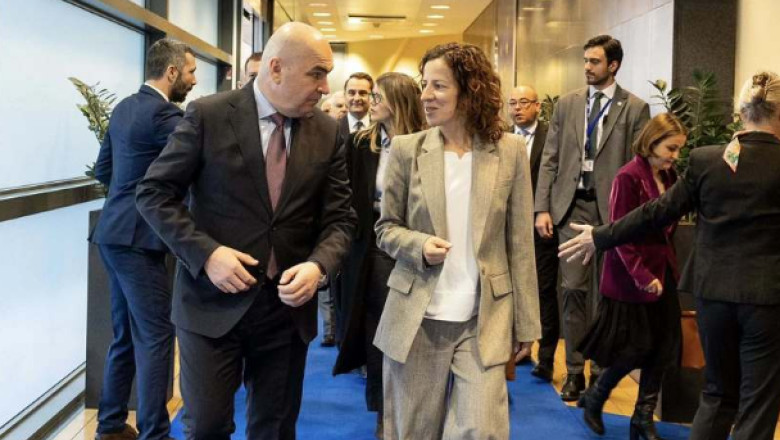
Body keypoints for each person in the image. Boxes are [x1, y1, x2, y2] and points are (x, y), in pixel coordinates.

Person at [136, 22, 355, 440]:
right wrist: (206, 254)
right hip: (210, 305)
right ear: (276, 68)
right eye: (317, 73)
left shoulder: (327, 132)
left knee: (274, 429)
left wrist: (318, 267)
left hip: (287, 311)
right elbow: (153, 194)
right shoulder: (209, 115)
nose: (326, 87)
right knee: (207, 428)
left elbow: (341, 220)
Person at [558, 71, 780, 440]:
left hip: (711, 294)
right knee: (758, 401)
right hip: (767, 299)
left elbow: (655, 213)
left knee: (716, 393)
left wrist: (600, 236)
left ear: (741, 111)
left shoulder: (707, 160)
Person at [374, 42, 540, 439]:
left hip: (483, 318)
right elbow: (386, 228)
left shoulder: (510, 151)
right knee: (412, 431)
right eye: (424, 85)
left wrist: (527, 322)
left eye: (439, 86)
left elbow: (520, 243)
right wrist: (418, 246)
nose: (425, 96)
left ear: (469, 90)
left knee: (481, 429)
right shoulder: (406, 150)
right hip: (417, 316)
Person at [90, 38, 196, 440]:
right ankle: (154, 432)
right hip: (139, 241)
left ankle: (111, 425)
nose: (193, 80)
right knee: (155, 336)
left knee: (125, 335)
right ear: (171, 72)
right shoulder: (164, 115)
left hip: (111, 233)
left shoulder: (123, 108)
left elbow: (104, 170)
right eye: (190, 72)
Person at [534, 34, 650, 401]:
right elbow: (550, 158)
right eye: (585, 60)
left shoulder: (635, 108)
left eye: (594, 61)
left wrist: (630, 218)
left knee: (605, 295)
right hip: (570, 209)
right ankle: (573, 371)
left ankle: (599, 371)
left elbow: (639, 165)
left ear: (613, 65)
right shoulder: (567, 105)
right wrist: (542, 208)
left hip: (610, 215)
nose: (587, 67)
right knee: (572, 292)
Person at [575, 113, 686, 439]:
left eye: (679, 149)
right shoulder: (628, 176)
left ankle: (642, 417)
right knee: (633, 350)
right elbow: (620, 233)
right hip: (630, 278)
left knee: (662, 349)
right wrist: (641, 275)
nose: (675, 156)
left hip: (664, 274)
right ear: (651, 143)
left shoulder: (671, 176)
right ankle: (596, 397)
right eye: (671, 148)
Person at [333, 72, 425, 438]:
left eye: (377, 97)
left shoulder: (427, 143)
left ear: (398, 102)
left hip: (415, 246)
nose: (370, 103)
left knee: (411, 333)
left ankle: (411, 411)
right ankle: (383, 414)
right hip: (371, 244)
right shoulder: (361, 143)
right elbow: (346, 195)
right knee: (377, 331)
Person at [507, 85, 558, 380]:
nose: (517, 108)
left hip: (540, 223)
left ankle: (547, 357)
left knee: (543, 290)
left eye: (524, 102)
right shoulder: (500, 136)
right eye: (512, 103)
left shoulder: (551, 135)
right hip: (507, 224)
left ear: (538, 106)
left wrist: (543, 209)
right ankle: (514, 348)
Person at [336, 72, 374, 143]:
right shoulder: (333, 128)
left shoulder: (381, 127)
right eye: (352, 93)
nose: (356, 98)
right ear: (345, 96)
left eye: (362, 93)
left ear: (371, 96)